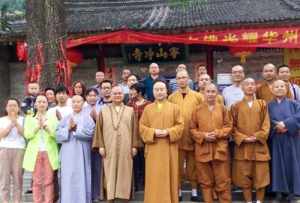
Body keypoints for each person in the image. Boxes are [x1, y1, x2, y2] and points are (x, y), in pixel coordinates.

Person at [140, 80, 184, 203]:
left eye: (162, 89)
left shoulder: (175, 108)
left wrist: (168, 132)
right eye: (156, 90)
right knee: (154, 178)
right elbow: (142, 127)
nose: (159, 92)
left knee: (169, 176)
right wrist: (153, 132)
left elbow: (180, 126)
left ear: (166, 91)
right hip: (153, 148)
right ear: (153, 92)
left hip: (169, 148)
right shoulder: (148, 108)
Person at [93, 85, 138, 203]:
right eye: (115, 93)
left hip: (126, 146)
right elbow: (98, 130)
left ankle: (123, 197)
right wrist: (101, 146)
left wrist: (134, 146)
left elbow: (135, 129)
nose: (117, 95)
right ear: (110, 95)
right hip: (108, 146)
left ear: (123, 95)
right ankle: (111, 196)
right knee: (110, 170)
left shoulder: (130, 110)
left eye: (120, 93)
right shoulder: (103, 110)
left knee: (125, 169)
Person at [190, 84, 232, 203]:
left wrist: (218, 133)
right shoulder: (197, 110)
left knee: (223, 180)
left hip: (220, 148)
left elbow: (229, 126)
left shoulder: (223, 109)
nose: (210, 94)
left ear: (217, 93)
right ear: (203, 93)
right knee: (205, 181)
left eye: (213, 91)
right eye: (208, 91)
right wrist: (203, 136)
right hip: (202, 148)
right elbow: (192, 129)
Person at [231, 78, 270, 203]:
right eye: (247, 84)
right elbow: (232, 126)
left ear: (255, 87)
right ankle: (248, 201)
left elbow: (266, 124)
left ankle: (259, 201)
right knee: (244, 178)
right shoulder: (236, 106)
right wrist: (242, 138)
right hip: (243, 147)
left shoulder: (262, 104)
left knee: (261, 177)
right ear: (242, 87)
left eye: (252, 84)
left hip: (259, 147)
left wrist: (258, 136)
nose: (250, 86)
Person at [168, 69, 202, 201]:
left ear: (189, 79)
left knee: (193, 167)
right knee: (178, 167)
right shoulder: (171, 97)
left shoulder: (197, 96)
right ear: (176, 80)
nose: (182, 80)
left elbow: (202, 115)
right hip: (178, 138)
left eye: (184, 77)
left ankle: (194, 192)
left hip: (193, 136)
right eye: (179, 78)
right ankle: (179, 191)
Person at [57, 95, 95, 203]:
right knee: (67, 177)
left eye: (78, 101)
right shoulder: (66, 118)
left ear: (83, 103)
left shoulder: (88, 118)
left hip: (82, 152)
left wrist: (76, 129)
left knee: (81, 177)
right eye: (73, 102)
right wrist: (68, 129)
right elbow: (58, 135)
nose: (76, 104)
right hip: (67, 153)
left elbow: (91, 134)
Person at [23, 94, 59, 203]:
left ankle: (48, 201)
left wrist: (46, 127)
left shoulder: (52, 118)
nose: (41, 104)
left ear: (47, 104)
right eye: (39, 102)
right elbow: (27, 135)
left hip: (49, 152)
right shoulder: (30, 118)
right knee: (37, 181)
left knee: (49, 180)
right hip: (36, 152)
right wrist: (37, 127)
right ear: (35, 104)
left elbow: (57, 135)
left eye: (44, 102)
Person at [268, 80, 300, 201]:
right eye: (277, 86)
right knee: (277, 164)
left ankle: (294, 192)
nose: (279, 88)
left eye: (282, 86)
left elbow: (299, 116)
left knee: (292, 163)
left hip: (291, 138)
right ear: (272, 89)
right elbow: (266, 120)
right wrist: (277, 126)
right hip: (276, 139)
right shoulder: (268, 105)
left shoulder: (294, 103)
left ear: (286, 89)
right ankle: (278, 192)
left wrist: (286, 124)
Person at [0, 98, 25, 203]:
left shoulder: (23, 119)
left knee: (17, 179)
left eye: (14, 105)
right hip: (5, 149)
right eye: (10, 105)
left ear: (18, 108)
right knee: (4, 179)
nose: (12, 107)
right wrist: (11, 123)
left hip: (19, 149)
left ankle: (16, 201)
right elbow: (2, 135)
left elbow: (25, 134)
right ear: (6, 108)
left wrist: (16, 123)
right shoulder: (2, 120)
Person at [127, 83, 151, 191]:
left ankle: (146, 183)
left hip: (145, 137)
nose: (130, 92)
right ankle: (136, 185)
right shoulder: (129, 104)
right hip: (132, 136)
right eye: (130, 90)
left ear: (139, 92)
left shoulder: (149, 105)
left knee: (146, 161)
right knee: (134, 161)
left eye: (133, 90)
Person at [84, 88, 105, 201]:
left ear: (98, 97)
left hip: (98, 143)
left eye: (94, 95)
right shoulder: (82, 109)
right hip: (86, 143)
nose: (92, 97)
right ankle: (87, 194)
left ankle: (97, 194)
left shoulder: (103, 109)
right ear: (86, 97)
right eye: (89, 95)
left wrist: (96, 118)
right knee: (87, 169)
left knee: (98, 169)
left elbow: (106, 126)